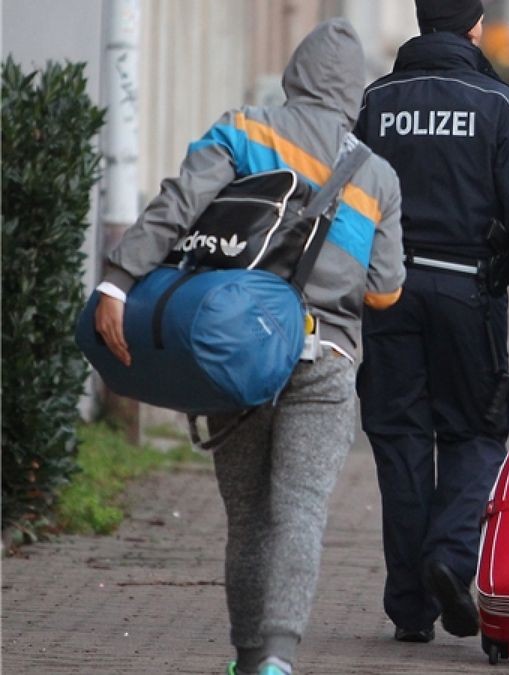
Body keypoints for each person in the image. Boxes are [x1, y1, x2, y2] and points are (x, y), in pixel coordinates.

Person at [92, 19, 405, 675]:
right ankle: (278, 657)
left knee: (248, 516)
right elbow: (383, 292)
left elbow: (178, 206)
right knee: (299, 512)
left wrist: (119, 280)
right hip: (324, 359)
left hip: (232, 349)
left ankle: (243, 655)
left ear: (293, 72)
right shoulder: (376, 175)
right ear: (356, 92)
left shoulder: (241, 127)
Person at [354, 0, 509, 644]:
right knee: (476, 434)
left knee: (401, 441)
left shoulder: (376, 102)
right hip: (467, 296)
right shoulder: (497, 104)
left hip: (386, 295)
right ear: (475, 26)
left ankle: (409, 607)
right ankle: (451, 556)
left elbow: (345, 200)